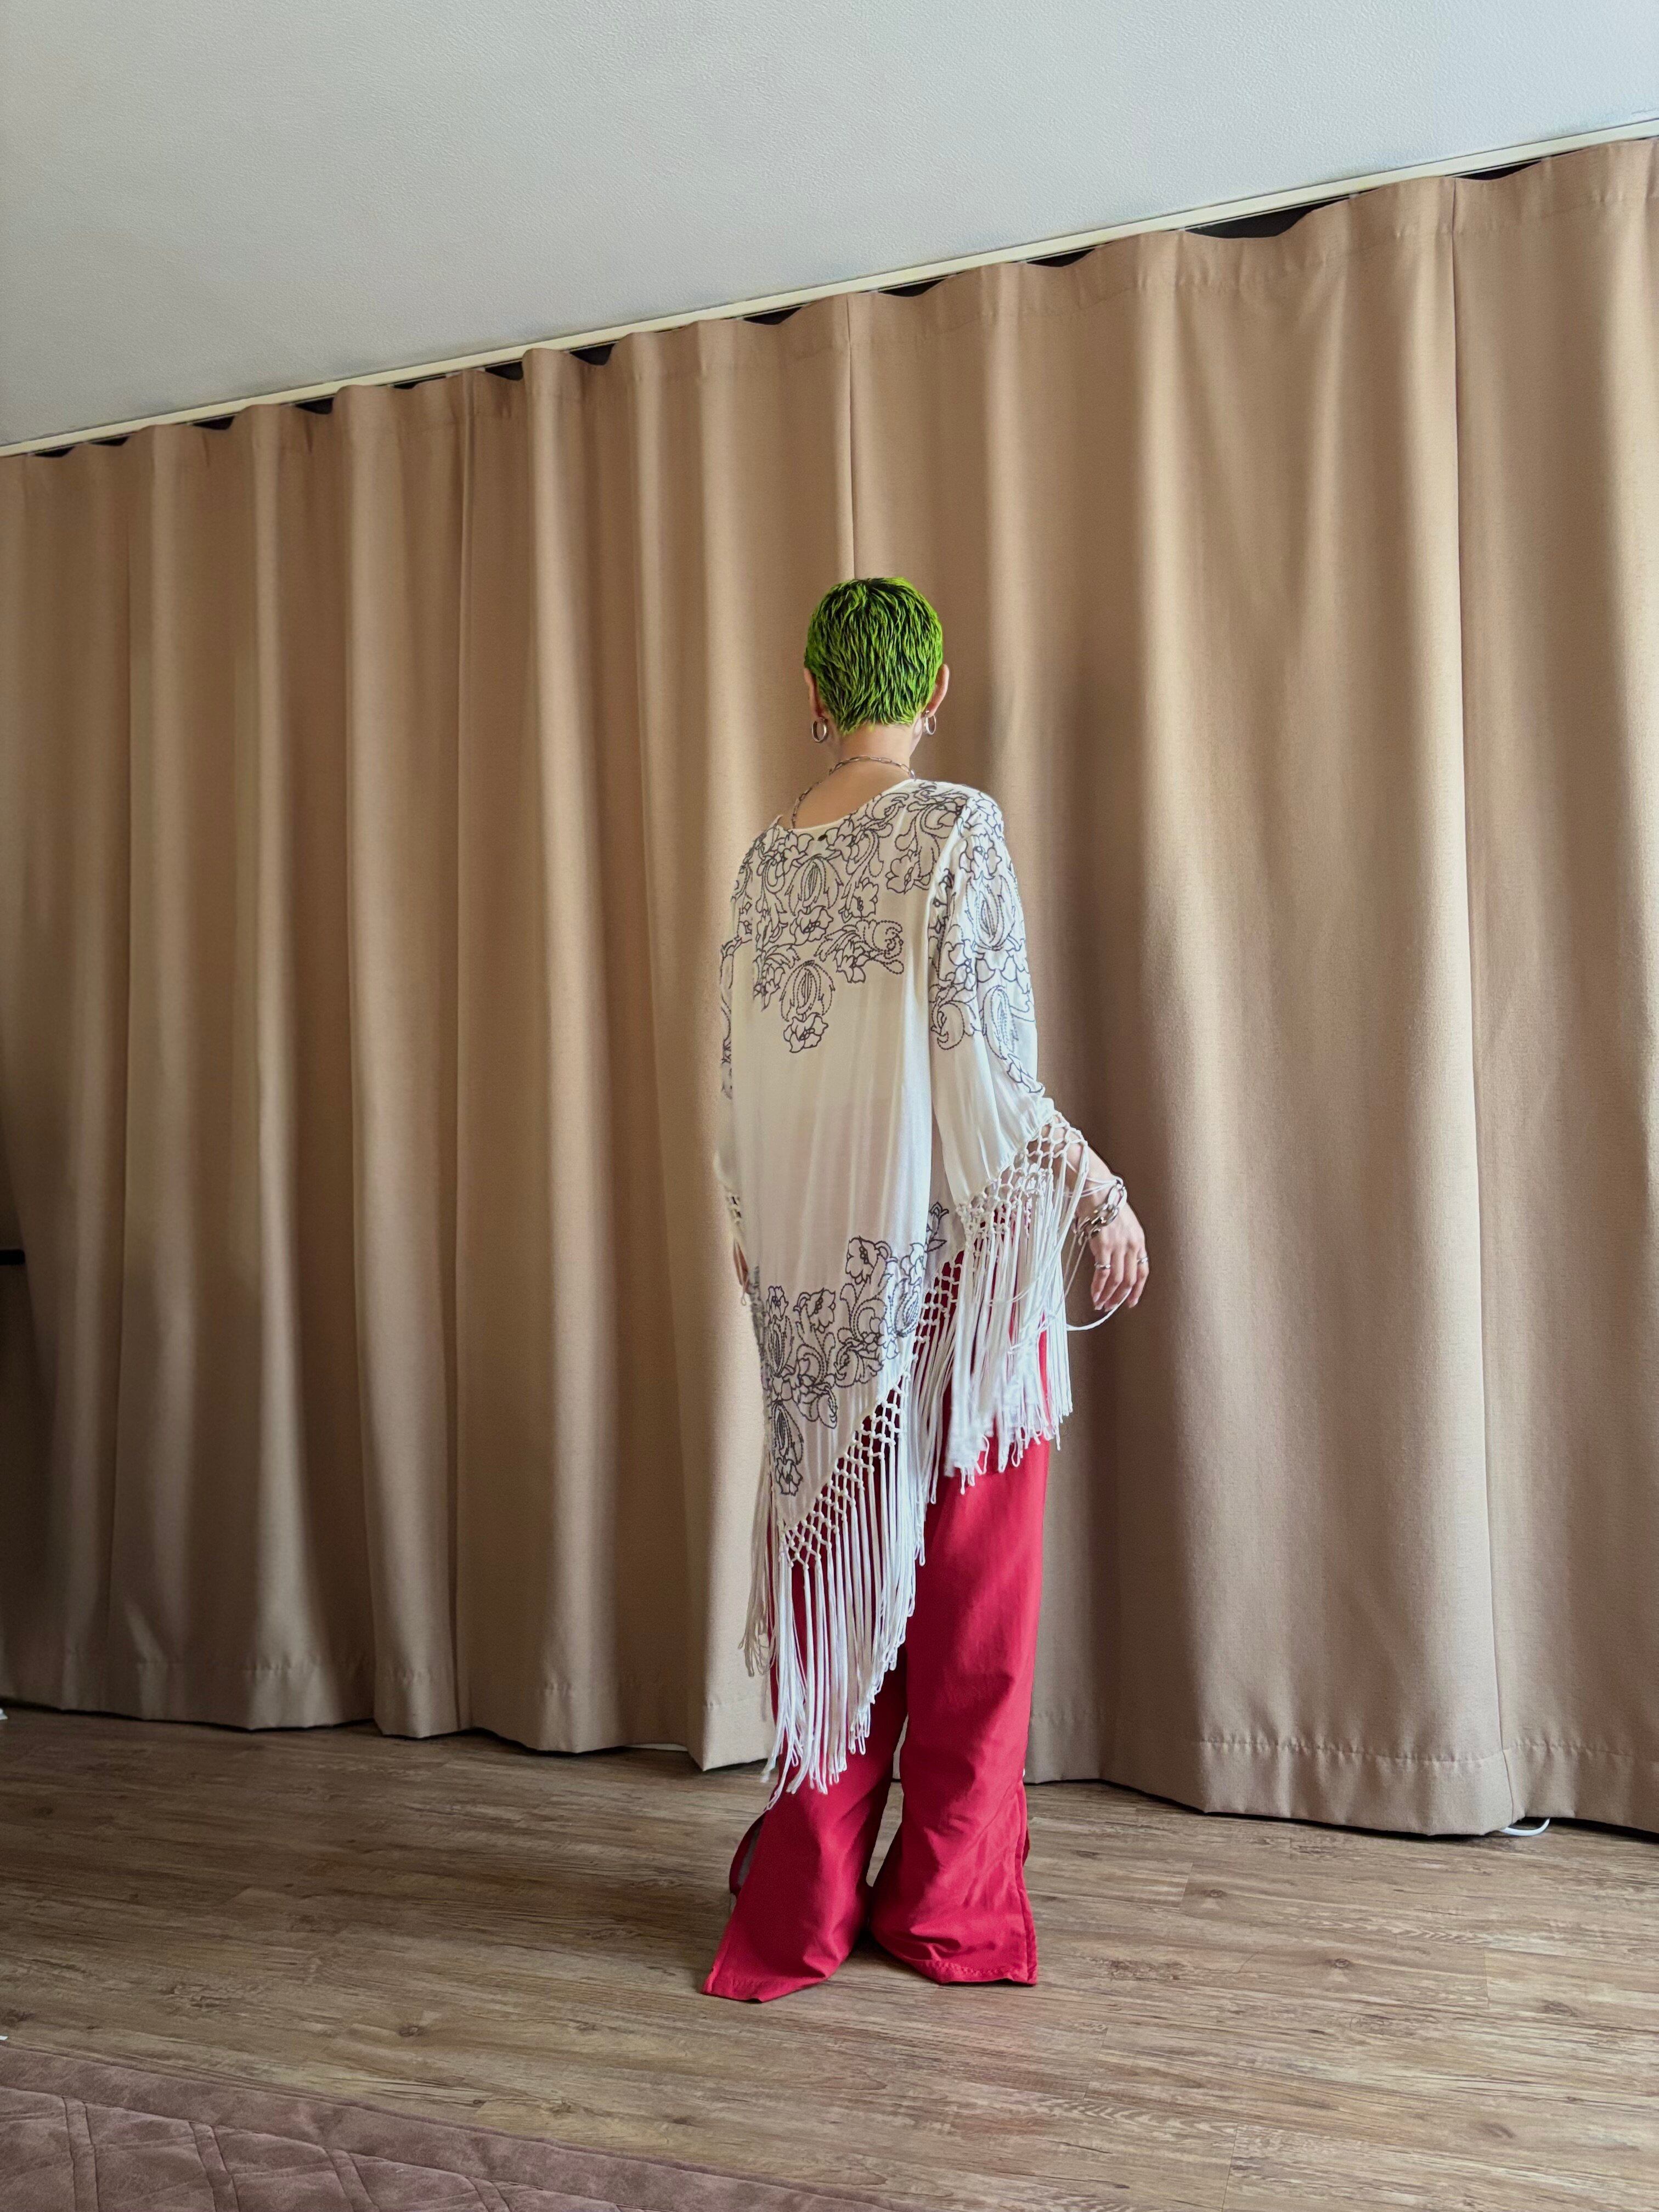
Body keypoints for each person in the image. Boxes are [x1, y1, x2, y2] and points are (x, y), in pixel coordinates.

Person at [705, 577, 1148, 2002]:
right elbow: (991, 1076)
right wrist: (1102, 1192)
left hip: (816, 1295)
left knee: (837, 1592)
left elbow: (739, 1094)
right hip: (957, 1289)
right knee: (971, 1621)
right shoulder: (957, 829)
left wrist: (760, 1239)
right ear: (938, 690)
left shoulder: (763, 866)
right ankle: (947, 1911)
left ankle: (806, 1901)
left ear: (814, 695)